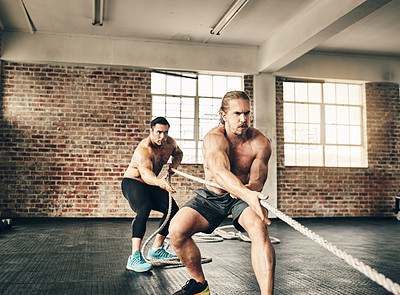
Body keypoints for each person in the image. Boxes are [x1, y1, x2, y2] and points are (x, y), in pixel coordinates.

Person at [169, 91, 275, 294]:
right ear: (223, 115)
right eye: (237, 113)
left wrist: (248, 193)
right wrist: (243, 192)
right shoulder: (213, 139)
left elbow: (256, 181)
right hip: (212, 197)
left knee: (259, 229)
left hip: (243, 198)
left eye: (246, 113)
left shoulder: (260, 143)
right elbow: (219, 172)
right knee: (177, 230)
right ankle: (200, 285)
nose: (243, 119)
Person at [121, 116, 183, 272]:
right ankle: (134, 257)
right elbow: (146, 173)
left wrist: (173, 167)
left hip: (152, 183)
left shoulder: (170, 144)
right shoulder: (144, 149)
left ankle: (156, 249)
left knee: (173, 211)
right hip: (133, 182)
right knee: (144, 208)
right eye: (158, 132)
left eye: (165, 132)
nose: (162, 137)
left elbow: (179, 154)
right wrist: (160, 183)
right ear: (151, 131)